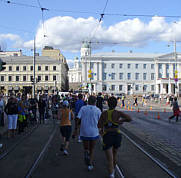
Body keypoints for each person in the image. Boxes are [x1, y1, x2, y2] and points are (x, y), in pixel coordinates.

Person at [98, 96, 132, 178]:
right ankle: (113, 171)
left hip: (107, 135)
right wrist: (120, 121)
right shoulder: (118, 113)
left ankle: (111, 174)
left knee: (110, 158)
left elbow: (99, 125)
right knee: (114, 155)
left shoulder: (104, 113)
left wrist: (103, 128)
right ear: (116, 104)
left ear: (107, 103)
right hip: (117, 135)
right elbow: (129, 118)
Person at [77, 95, 101, 171]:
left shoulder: (83, 108)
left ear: (88, 101)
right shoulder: (98, 110)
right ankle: (90, 164)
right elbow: (100, 122)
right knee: (92, 149)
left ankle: (86, 153)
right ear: (95, 102)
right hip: (94, 132)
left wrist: (76, 129)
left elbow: (78, 118)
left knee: (86, 148)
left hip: (84, 131)